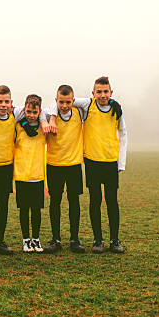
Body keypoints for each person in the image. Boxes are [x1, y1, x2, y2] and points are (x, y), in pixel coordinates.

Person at [49, 76, 127, 253]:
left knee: (112, 201)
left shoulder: (117, 110)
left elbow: (124, 134)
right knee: (95, 201)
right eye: (98, 91)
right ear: (93, 93)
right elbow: (63, 101)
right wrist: (53, 117)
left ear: (111, 92)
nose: (102, 95)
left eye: (106, 91)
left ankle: (114, 240)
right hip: (92, 161)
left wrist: (121, 162)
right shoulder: (88, 105)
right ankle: (98, 240)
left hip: (110, 162)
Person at [0, 85, 50, 258]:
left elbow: (40, 110)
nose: (3, 105)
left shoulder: (15, 113)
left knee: (3, 205)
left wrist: (44, 121)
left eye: (6, 102)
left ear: (11, 103)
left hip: (6, 166)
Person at [43, 85, 86, 254]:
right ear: (56, 101)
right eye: (61, 102)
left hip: (74, 164)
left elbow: (94, 102)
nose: (65, 106)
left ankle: (74, 239)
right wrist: (51, 117)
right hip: (54, 164)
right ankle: (55, 239)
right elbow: (39, 114)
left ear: (73, 101)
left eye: (68, 102)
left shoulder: (79, 113)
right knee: (55, 202)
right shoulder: (48, 114)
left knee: (74, 202)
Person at [14, 94, 46, 253]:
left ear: (39, 112)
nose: (31, 115)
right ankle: (26, 240)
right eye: (28, 111)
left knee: (36, 210)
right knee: (24, 209)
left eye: (35, 112)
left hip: (37, 176)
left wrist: (45, 120)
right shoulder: (18, 126)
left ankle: (37, 239)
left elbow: (49, 113)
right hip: (21, 176)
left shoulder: (43, 127)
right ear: (24, 109)